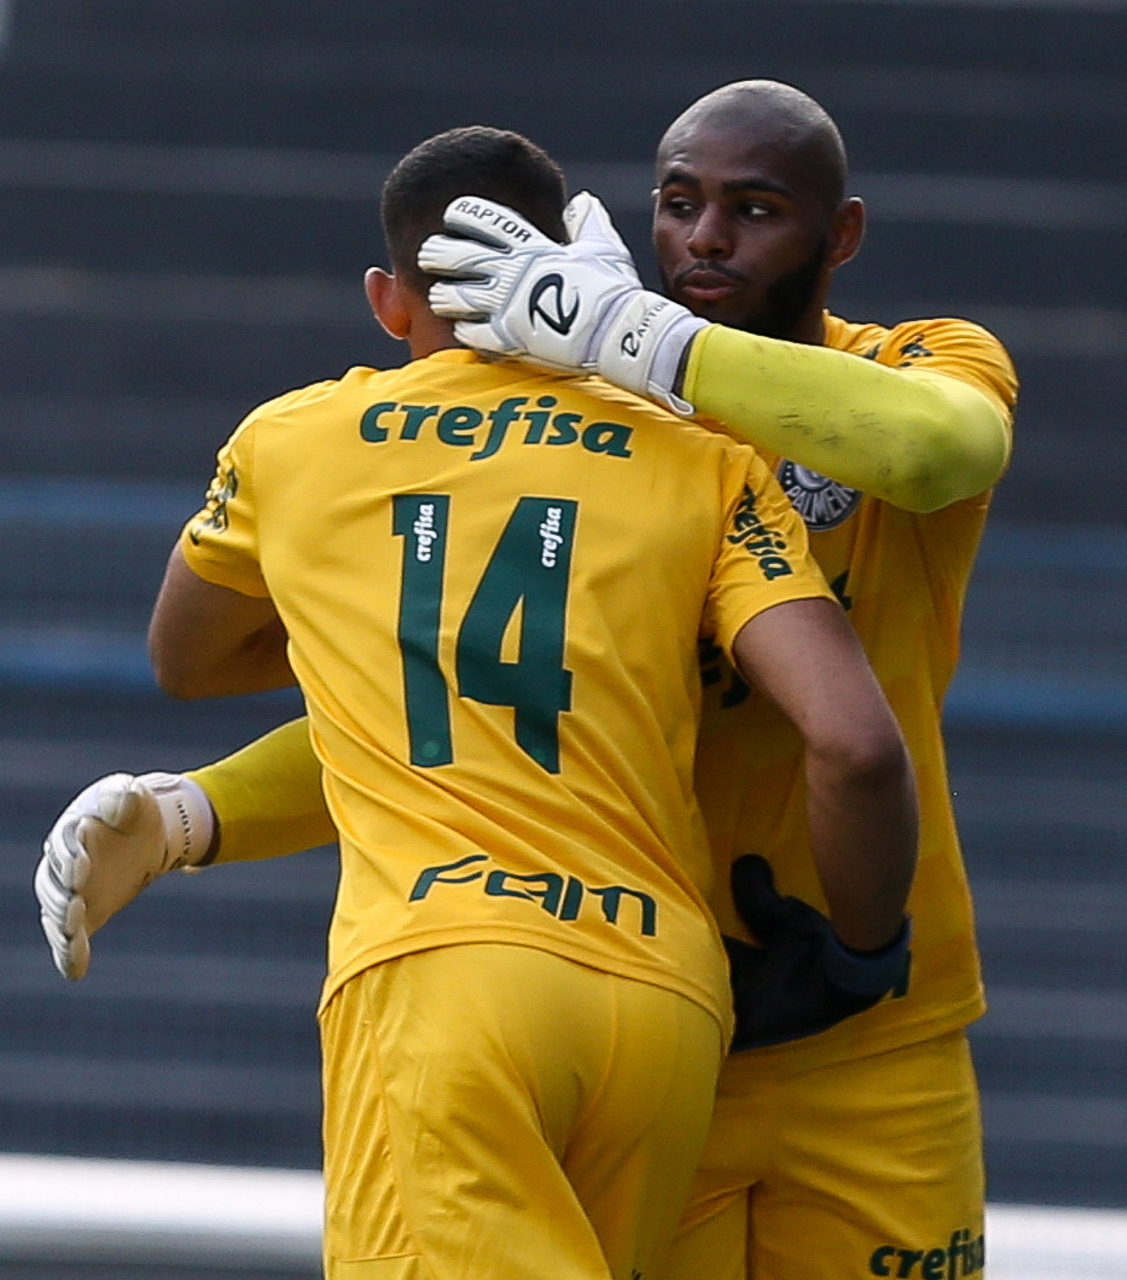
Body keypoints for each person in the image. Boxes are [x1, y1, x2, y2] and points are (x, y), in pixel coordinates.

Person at [37, 123, 919, 1280]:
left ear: (386, 299)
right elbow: (854, 745)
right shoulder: (701, 458)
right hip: (663, 1003)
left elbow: (186, 658)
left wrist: (377, 608)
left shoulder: (296, 440)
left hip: (445, 975)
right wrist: (862, 953)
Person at [411, 82, 1018, 1280]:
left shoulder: (921, 362)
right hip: (662, 1018)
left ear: (840, 234)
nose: (703, 238)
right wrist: (197, 811)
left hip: (883, 1028)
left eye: (754, 210)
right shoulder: (592, 420)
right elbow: (478, 686)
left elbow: (936, 450)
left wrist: (635, 338)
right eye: (678, 203)